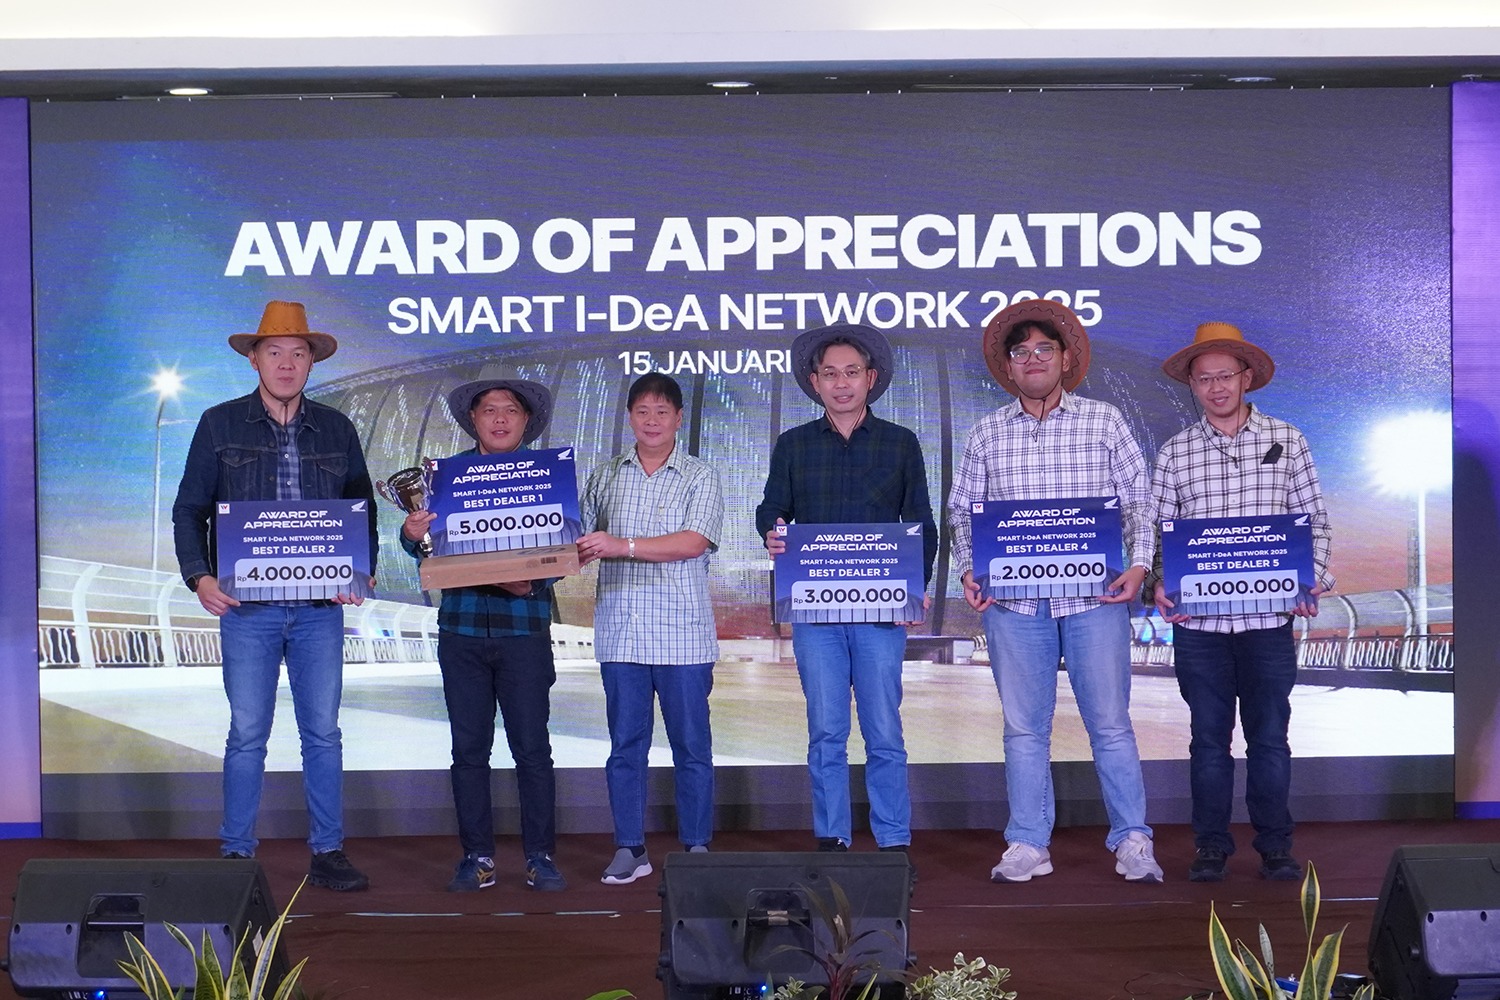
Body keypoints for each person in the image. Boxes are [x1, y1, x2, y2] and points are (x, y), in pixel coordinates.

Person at [947, 299, 1163, 884]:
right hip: (1016, 605)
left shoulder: (1105, 421)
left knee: (1111, 724)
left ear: (1066, 359)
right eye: (1022, 352)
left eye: (1045, 349)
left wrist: (1139, 565)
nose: (1034, 359)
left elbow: (1139, 503)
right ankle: (1027, 843)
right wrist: (969, 570)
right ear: (1008, 367)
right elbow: (962, 513)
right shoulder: (987, 432)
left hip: (1096, 599)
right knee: (1023, 730)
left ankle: (1133, 839)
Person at [171, 299, 376, 891]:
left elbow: (361, 509)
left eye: (298, 353)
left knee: (323, 733)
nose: (287, 363)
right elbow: (189, 509)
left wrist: (359, 572)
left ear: (312, 362)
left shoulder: (337, 428)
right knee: (247, 733)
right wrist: (199, 576)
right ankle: (236, 854)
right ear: (255, 359)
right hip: (248, 609)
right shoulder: (219, 424)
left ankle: (328, 851)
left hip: (318, 610)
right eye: (275, 352)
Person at [1150, 322, 1333, 882]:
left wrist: (1312, 578)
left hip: (1268, 622)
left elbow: (1315, 522)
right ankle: (1211, 847)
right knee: (1207, 743)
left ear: (1246, 378)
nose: (1216, 387)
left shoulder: (1288, 439)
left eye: (1225, 375)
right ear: (1192, 386)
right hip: (1199, 628)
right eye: (1204, 379)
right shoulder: (1176, 452)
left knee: (1270, 740)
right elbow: (1157, 533)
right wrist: (1159, 580)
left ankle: (1276, 846)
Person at [755, 323, 938, 859]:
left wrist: (917, 589)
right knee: (826, 732)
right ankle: (832, 839)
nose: (841, 383)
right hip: (815, 612)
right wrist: (771, 529)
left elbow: (922, 521)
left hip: (881, 611)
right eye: (830, 374)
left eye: (851, 373)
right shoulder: (793, 445)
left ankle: (893, 842)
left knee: (884, 731)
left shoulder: (901, 442)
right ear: (814, 382)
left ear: (870, 378)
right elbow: (771, 508)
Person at [401, 372, 567, 893]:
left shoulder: (546, 477)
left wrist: (532, 580)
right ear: (473, 419)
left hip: (525, 633)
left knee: (532, 749)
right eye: (489, 410)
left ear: (526, 421)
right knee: (469, 751)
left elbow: (564, 544)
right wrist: (411, 533)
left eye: (510, 410)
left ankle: (540, 856)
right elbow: (425, 546)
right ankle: (477, 857)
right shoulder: (443, 479)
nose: (499, 418)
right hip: (462, 632)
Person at [577, 373, 724, 884]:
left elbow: (693, 542)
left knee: (692, 747)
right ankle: (630, 849)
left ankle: (696, 846)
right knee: (626, 747)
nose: (652, 420)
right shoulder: (604, 476)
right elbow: (577, 539)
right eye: (643, 411)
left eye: (662, 411)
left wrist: (623, 545)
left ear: (679, 418)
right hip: (621, 632)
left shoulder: (700, 476)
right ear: (630, 418)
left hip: (683, 635)